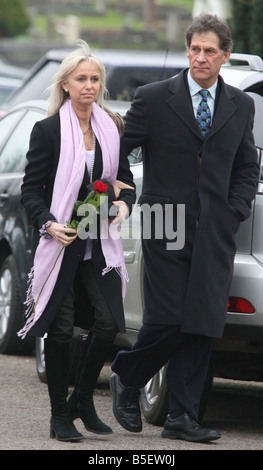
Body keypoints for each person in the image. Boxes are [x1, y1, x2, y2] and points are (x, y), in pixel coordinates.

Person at [110, 14, 259, 443]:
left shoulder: (241, 104)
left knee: (201, 324)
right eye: (195, 49)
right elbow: (121, 152)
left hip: (216, 228)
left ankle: (182, 417)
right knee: (171, 317)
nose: (201, 57)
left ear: (225, 56)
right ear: (187, 51)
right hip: (164, 222)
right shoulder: (154, 98)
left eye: (210, 51)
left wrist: (235, 209)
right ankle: (127, 373)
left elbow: (247, 166)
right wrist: (126, 193)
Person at [18, 40, 135, 442]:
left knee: (108, 323)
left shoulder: (112, 127)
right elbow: (31, 191)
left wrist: (124, 206)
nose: (89, 85)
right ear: (66, 84)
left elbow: (126, 182)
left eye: (95, 78)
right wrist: (49, 223)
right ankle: (58, 415)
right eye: (81, 79)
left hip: (99, 244)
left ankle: (83, 400)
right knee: (62, 329)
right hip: (62, 243)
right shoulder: (48, 130)